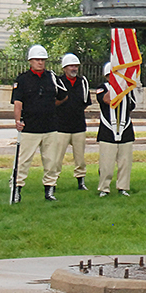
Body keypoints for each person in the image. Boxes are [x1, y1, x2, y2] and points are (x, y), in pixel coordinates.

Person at [11, 45, 67, 203]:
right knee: (23, 161)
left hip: (50, 126)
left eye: (42, 60)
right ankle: (17, 189)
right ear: (30, 61)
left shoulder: (52, 77)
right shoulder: (22, 79)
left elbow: (63, 95)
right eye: (37, 60)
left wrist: (48, 107)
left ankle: (49, 190)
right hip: (30, 126)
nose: (40, 63)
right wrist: (17, 120)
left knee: (51, 161)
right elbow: (17, 102)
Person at [52, 53, 91, 191]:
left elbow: (85, 101)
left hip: (78, 125)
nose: (74, 69)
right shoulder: (58, 81)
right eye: (71, 66)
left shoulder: (83, 81)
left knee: (80, 158)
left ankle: (81, 182)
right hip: (61, 126)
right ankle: (52, 183)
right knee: (57, 158)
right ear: (64, 68)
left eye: (76, 66)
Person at [96, 62, 136, 197]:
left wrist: (125, 86)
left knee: (125, 161)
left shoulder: (127, 89)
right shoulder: (102, 88)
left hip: (125, 128)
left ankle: (123, 187)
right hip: (107, 129)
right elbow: (106, 100)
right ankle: (104, 188)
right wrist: (115, 86)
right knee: (106, 163)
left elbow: (132, 105)